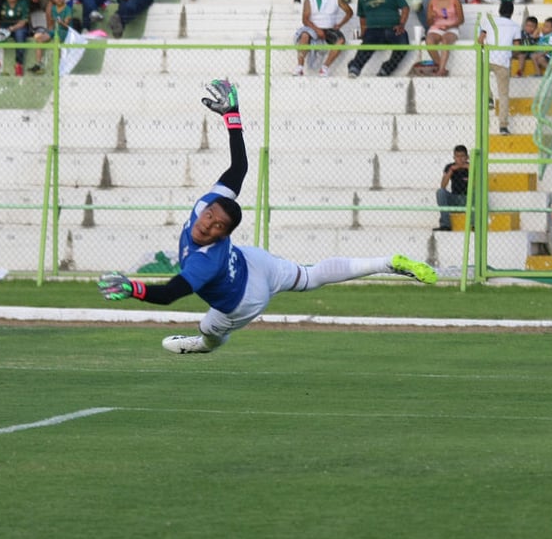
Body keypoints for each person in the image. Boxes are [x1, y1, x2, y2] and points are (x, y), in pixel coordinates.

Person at [98, 80, 438, 355]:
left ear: (222, 234)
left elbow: (170, 293)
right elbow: (239, 168)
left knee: (209, 333)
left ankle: (202, 345)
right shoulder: (208, 202)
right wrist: (232, 115)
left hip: (245, 299)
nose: (208, 222)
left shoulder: (206, 262)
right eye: (210, 215)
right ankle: (387, 263)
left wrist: (132, 288)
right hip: (254, 261)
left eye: (217, 226)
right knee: (311, 276)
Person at [346, 0, 410, 78]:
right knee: (367, 44)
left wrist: (402, 24)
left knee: (403, 43)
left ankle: (386, 70)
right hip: (373, 29)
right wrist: (362, 33)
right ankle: (355, 68)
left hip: (393, 28)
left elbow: (405, 8)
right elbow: (362, 17)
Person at [478, 0, 520, 135]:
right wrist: (510, 54)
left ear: (499, 10)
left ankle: (489, 98)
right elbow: (517, 47)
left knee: (481, 78)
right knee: (503, 95)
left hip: (488, 57)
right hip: (503, 61)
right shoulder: (515, 26)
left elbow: (480, 39)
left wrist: (484, 48)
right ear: (512, 12)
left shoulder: (489, 21)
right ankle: (503, 126)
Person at [293, 0, 353, 78]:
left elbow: (349, 12)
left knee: (341, 41)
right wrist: (316, 29)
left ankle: (325, 67)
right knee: (304, 35)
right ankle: (300, 67)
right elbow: (305, 19)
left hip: (329, 28)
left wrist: (340, 25)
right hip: (312, 28)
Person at [29, 0, 70, 74]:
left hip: (64, 31)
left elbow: (67, 26)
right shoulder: (53, 8)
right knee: (39, 39)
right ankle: (38, 64)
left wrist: (60, 22)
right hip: (54, 31)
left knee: (57, 41)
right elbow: (52, 20)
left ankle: (59, 67)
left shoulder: (67, 9)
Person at [424, 0, 463, 77]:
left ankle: (441, 71)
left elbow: (461, 20)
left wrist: (449, 26)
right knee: (429, 40)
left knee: (445, 40)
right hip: (436, 28)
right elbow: (429, 23)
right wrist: (431, 17)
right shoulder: (432, 1)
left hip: (452, 28)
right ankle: (441, 67)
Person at [433, 144, 469, 231]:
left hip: (468, 199)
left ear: (467, 157)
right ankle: (445, 225)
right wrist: (451, 171)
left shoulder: (472, 166)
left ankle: (474, 224)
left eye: (462, 156)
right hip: (454, 199)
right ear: (454, 157)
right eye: (457, 156)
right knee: (440, 192)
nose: (460, 159)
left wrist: (471, 170)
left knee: (479, 194)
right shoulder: (449, 167)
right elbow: (443, 185)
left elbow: (478, 185)